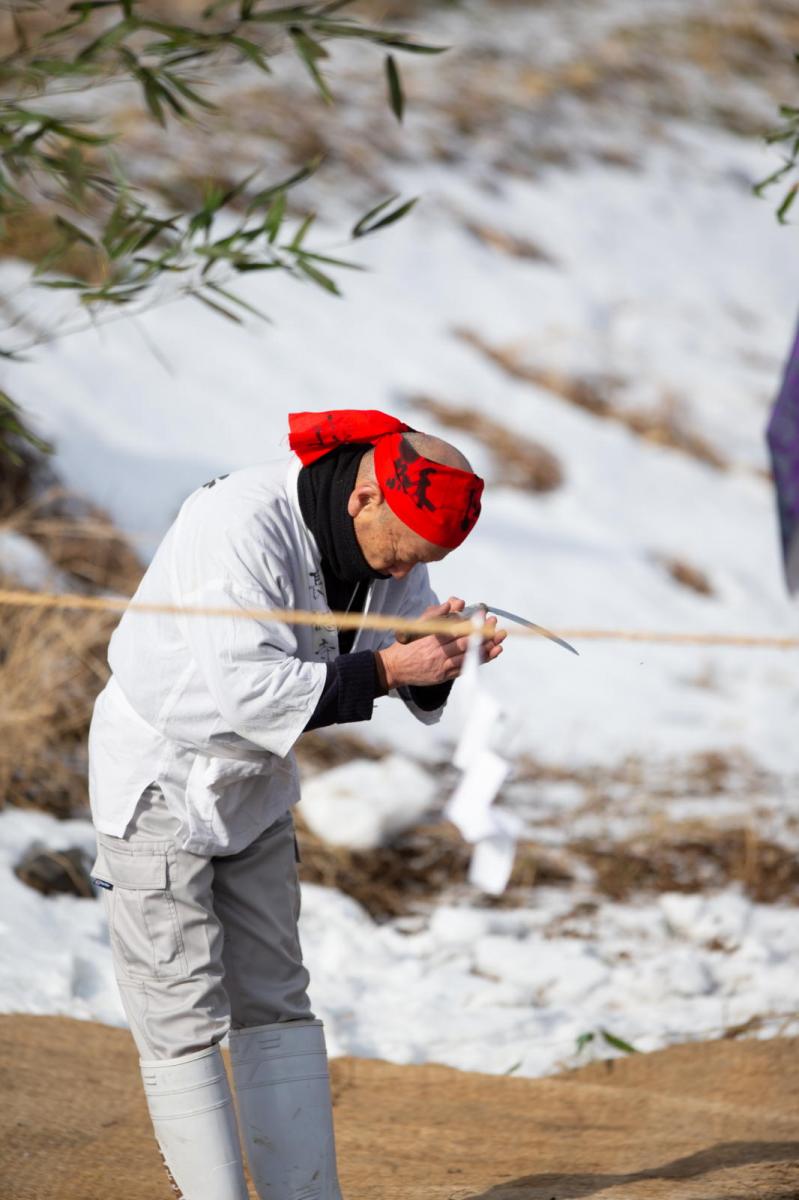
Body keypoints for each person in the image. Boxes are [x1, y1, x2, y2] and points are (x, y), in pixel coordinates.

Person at [87, 408, 505, 1199]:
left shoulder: (392, 540)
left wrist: (441, 655)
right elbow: (250, 693)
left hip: (256, 784)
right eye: (403, 554)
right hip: (160, 777)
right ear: (365, 500)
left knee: (277, 998)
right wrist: (391, 668)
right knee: (180, 1014)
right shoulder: (238, 522)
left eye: (421, 563)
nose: (401, 573)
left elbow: (398, 653)